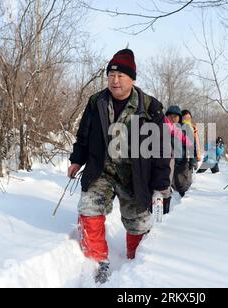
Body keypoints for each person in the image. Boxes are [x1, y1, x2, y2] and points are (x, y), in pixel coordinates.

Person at [68, 49, 171, 284]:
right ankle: (98, 261)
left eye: (120, 76)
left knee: (138, 222)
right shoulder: (97, 102)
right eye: (111, 75)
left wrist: (161, 186)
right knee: (89, 209)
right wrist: (76, 160)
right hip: (101, 171)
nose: (115, 81)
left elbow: (162, 151)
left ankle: (135, 263)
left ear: (132, 78)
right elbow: (83, 135)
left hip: (134, 175)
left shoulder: (149, 107)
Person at [172, 110, 198, 198]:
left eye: (189, 118)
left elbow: (194, 146)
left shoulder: (193, 129)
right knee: (177, 183)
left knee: (185, 182)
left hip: (187, 160)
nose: (187, 120)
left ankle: (183, 199)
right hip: (177, 159)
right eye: (185, 118)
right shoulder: (177, 128)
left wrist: (194, 160)